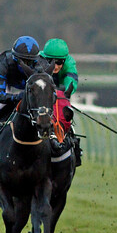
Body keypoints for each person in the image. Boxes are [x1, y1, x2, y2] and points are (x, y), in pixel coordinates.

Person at [0, 36, 45, 152]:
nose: (25, 65)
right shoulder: (4, 61)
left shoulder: (40, 64)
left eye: (29, 62)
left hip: (30, 89)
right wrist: (16, 97)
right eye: (22, 61)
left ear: (35, 60)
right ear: (15, 58)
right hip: (10, 87)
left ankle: (54, 137)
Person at [39, 38, 82, 166]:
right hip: (42, 94)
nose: (55, 66)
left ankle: (75, 148)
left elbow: (71, 81)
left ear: (65, 60)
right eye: (51, 61)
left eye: (59, 62)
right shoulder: (39, 61)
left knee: (65, 118)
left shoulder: (70, 63)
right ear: (45, 58)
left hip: (59, 93)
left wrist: (65, 92)